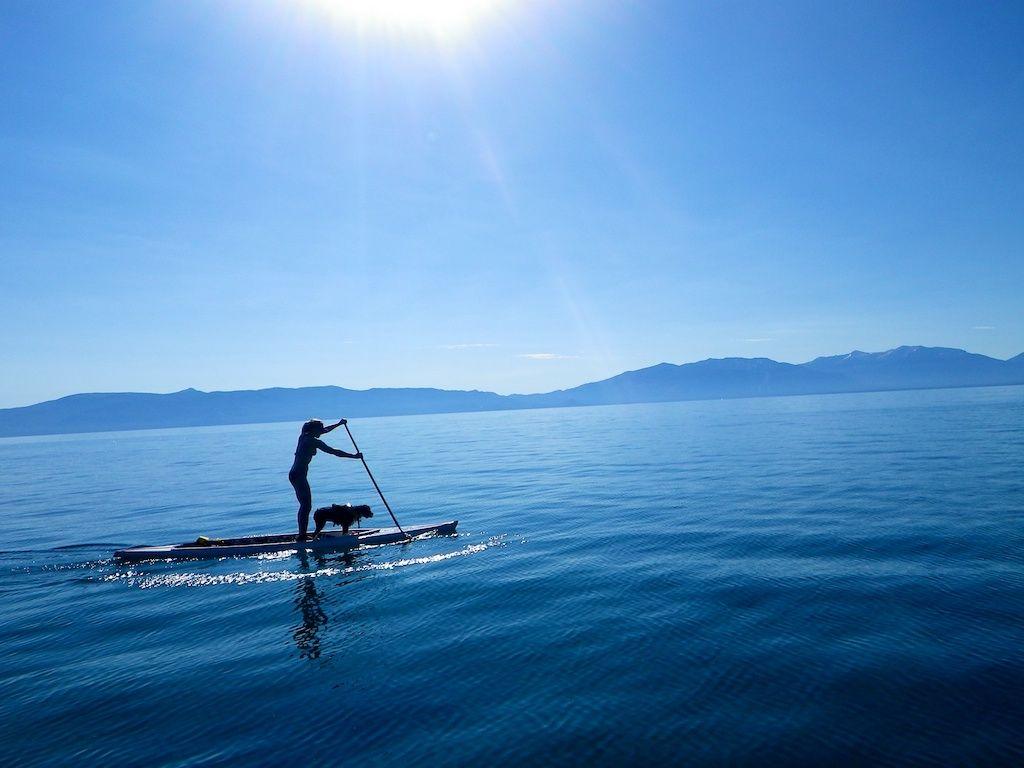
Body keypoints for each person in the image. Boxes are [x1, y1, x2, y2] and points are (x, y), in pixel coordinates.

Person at [289, 419, 362, 541]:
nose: (322, 431)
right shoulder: (311, 441)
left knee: (305, 505)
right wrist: (354, 456)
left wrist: (338, 424)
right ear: (313, 430)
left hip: (296, 474)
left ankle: (302, 534)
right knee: (306, 505)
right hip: (298, 475)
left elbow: (325, 430)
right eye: (320, 429)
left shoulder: (303, 436)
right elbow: (334, 452)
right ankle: (301, 536)